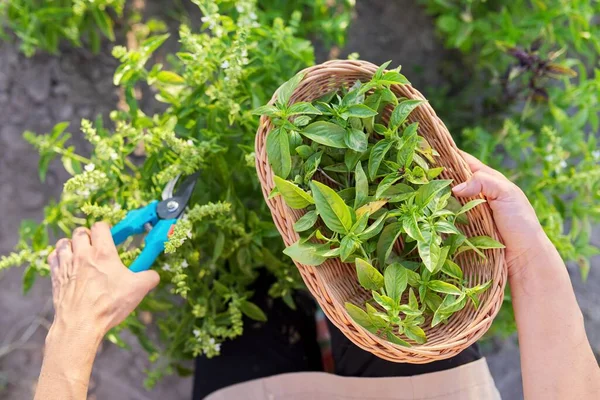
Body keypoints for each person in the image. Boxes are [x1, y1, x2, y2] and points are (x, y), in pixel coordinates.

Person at [34, 152, 600, 400]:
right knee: (364, 276)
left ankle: (266, 255)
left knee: (250, 290)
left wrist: (74, 331)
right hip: (431, 390)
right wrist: (525, 251)